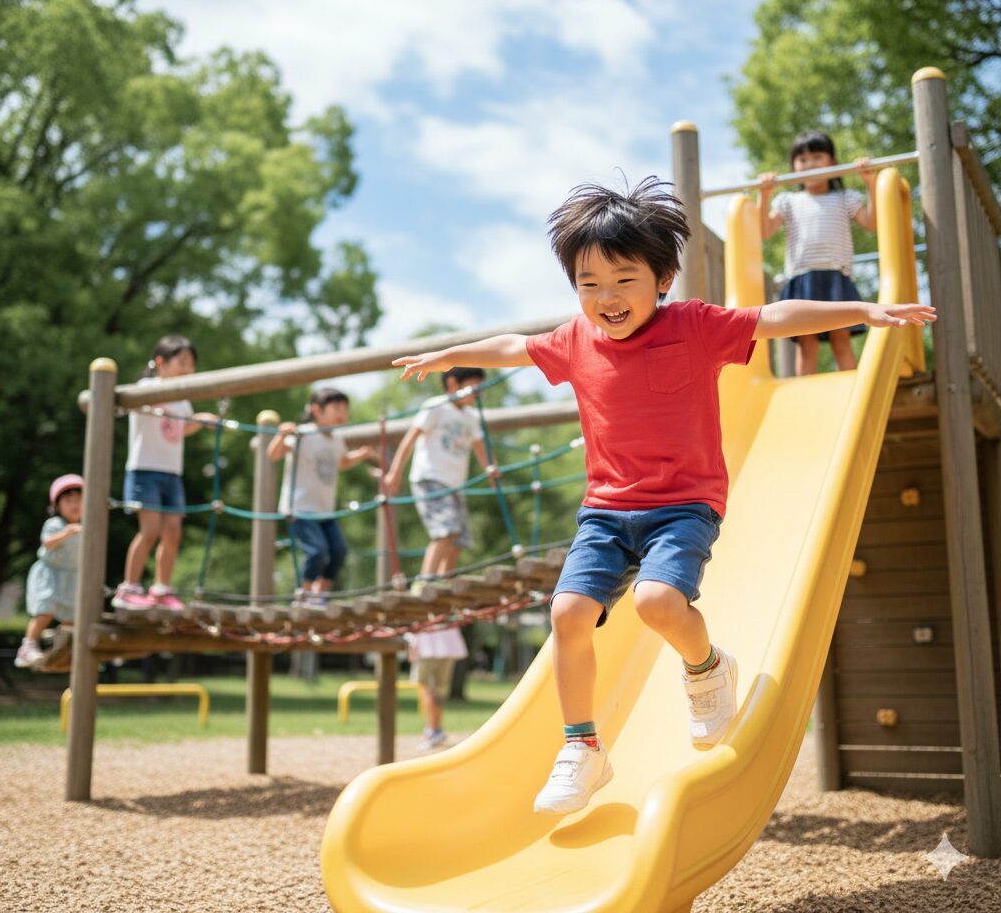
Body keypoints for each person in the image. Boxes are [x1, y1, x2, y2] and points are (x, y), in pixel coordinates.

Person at [391, 176, 935, 815]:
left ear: (663, 277)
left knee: (656, 601)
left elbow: (774, 317)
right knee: (566, 616)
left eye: (624, 280)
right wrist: (454, 351)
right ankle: (583, 747)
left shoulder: (695, 327)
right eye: (589, 285)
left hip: (684, 504)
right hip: (605, 511)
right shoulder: (574, 340)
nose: (607, 298)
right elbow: (515, 346)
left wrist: (865, 311)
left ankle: (707, 668)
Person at [758, 130, 879, 375]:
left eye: (816, 157)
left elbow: (871, 223)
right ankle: (806, 394)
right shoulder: (787, 201)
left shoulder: (845, 197)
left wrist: (870, 183)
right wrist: (764, 194)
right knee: (806, 343)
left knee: (840, 338)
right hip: (803, 278)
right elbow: (765, 231)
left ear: (832, 161)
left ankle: (851, 388)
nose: (809, 164)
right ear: (794, 166)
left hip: (835, 275)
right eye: (802, 160)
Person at [114, 335, 218, 611]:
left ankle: (161, 588)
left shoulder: (182, 400)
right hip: (144, 469)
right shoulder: (148, 388)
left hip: (172, 472)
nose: (187, 369)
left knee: (173, 532)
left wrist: (201, 421)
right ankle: (129, 587)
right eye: (182, 362)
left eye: (191, 365)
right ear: (160, 363)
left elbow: (178, 430)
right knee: (149, 531)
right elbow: (133, 406)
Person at [381, 368, 498, 583]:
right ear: (453, 384)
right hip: (430, 478)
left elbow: (481, 447)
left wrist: (491, 470)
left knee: (459, 541)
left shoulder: (472, 417)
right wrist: (395, 472)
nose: (479, 393)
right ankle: (425, 583)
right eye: (474, 387)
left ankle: (445, 584)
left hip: (455, 485)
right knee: (446, 532)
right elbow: (410, 438)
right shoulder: (436, 407)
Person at [267, 387, 374, 603]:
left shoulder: (336, 439)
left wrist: (360, 456)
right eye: (336, 408)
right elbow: (273, 454)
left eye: (345, 409)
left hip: (324, 510)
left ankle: (320, 593)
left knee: (339, 551)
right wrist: (281, 435)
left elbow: (342, 462)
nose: (342, 413)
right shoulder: (304, 433)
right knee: (317, 551)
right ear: (317, 410)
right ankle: (304, 595)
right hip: (300, 508)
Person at [15, 475, 85, 668]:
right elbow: (48, 542)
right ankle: (27, 647)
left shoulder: (85, 528)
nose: (75, 505)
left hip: (71, 579)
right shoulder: (56, 525)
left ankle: (71, 651)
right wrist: (67, 532)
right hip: (49, 576)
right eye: (69, 501)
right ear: (57, 506)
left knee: (71, 619)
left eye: (79, 500)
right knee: (44, 612)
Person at [406, 624, 469, 750]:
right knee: (438, 690)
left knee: (427, 689)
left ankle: (432, 730)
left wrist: (412, 646)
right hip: (448, 647)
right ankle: (436, 729)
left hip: (427, 647)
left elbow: (416, 620)